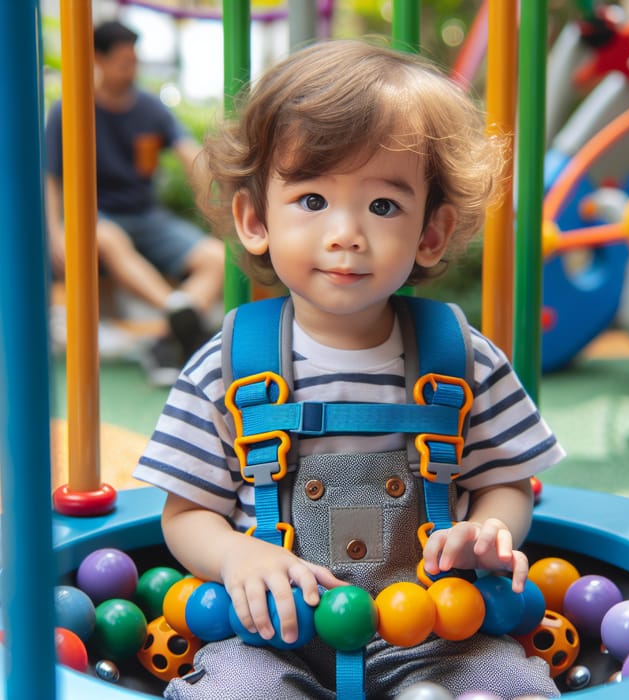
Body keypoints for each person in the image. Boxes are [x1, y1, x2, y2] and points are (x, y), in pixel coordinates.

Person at [133, 40, 566, 699]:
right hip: (272, 636)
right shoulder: (225, 367)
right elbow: (186, 511)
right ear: (255, 220)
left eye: (383, 206)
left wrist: (491, 531)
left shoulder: (462, 358)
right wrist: (237, 555)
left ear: (430, 232)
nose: (345, 233)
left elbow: (506, 482)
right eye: (311, 200)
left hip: (434, 637)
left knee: (508, 685)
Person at [45, 20, 225, 386]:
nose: (132, 69)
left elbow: (188, 152)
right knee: (106, 236)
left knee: (215, 257)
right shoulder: (69, 109)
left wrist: (215, 191)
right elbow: (51, 178)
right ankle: (178, 314)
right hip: (97, 216)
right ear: (98, 59)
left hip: (147, 216)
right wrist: (53, 232)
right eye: (124, 62)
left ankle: (164, 338)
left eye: (135, 61)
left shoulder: (149, 108)